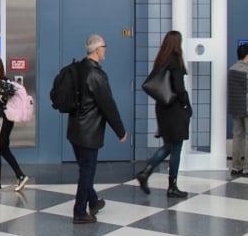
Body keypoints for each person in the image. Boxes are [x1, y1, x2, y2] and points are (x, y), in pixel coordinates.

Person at [68, 34, 127, 223]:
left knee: (85, 168)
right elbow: (107, 105)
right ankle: (79, 213)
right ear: (97, 50)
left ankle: (93, 201)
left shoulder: (78, 68)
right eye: (104, 46)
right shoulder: (96, 74)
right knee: (87, 172)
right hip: (89, 132)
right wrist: (120, 131)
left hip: (75, 129)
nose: (106, 49)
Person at [135, 30, 192, 198]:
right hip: (174, 109)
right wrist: (186, 106)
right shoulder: (175, 61)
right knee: (176, 148)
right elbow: (179, 89)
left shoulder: (161, 60)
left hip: (162, 108)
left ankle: (146, 172)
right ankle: (172, 186)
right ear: (177, 43)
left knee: (168, 145)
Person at [0, 56, 29, 193]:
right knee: (3, 149)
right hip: (8, 120)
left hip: (2, 120)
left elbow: (7, 95)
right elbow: (6, 98)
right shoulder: (5, 80)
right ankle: (20, 176)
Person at [227, 43, 248, 176]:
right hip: (247, 107)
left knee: (237, 136)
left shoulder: (231, 69)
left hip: (236, 108)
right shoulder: (246, 71)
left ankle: (236, 166)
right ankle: (247, 167)